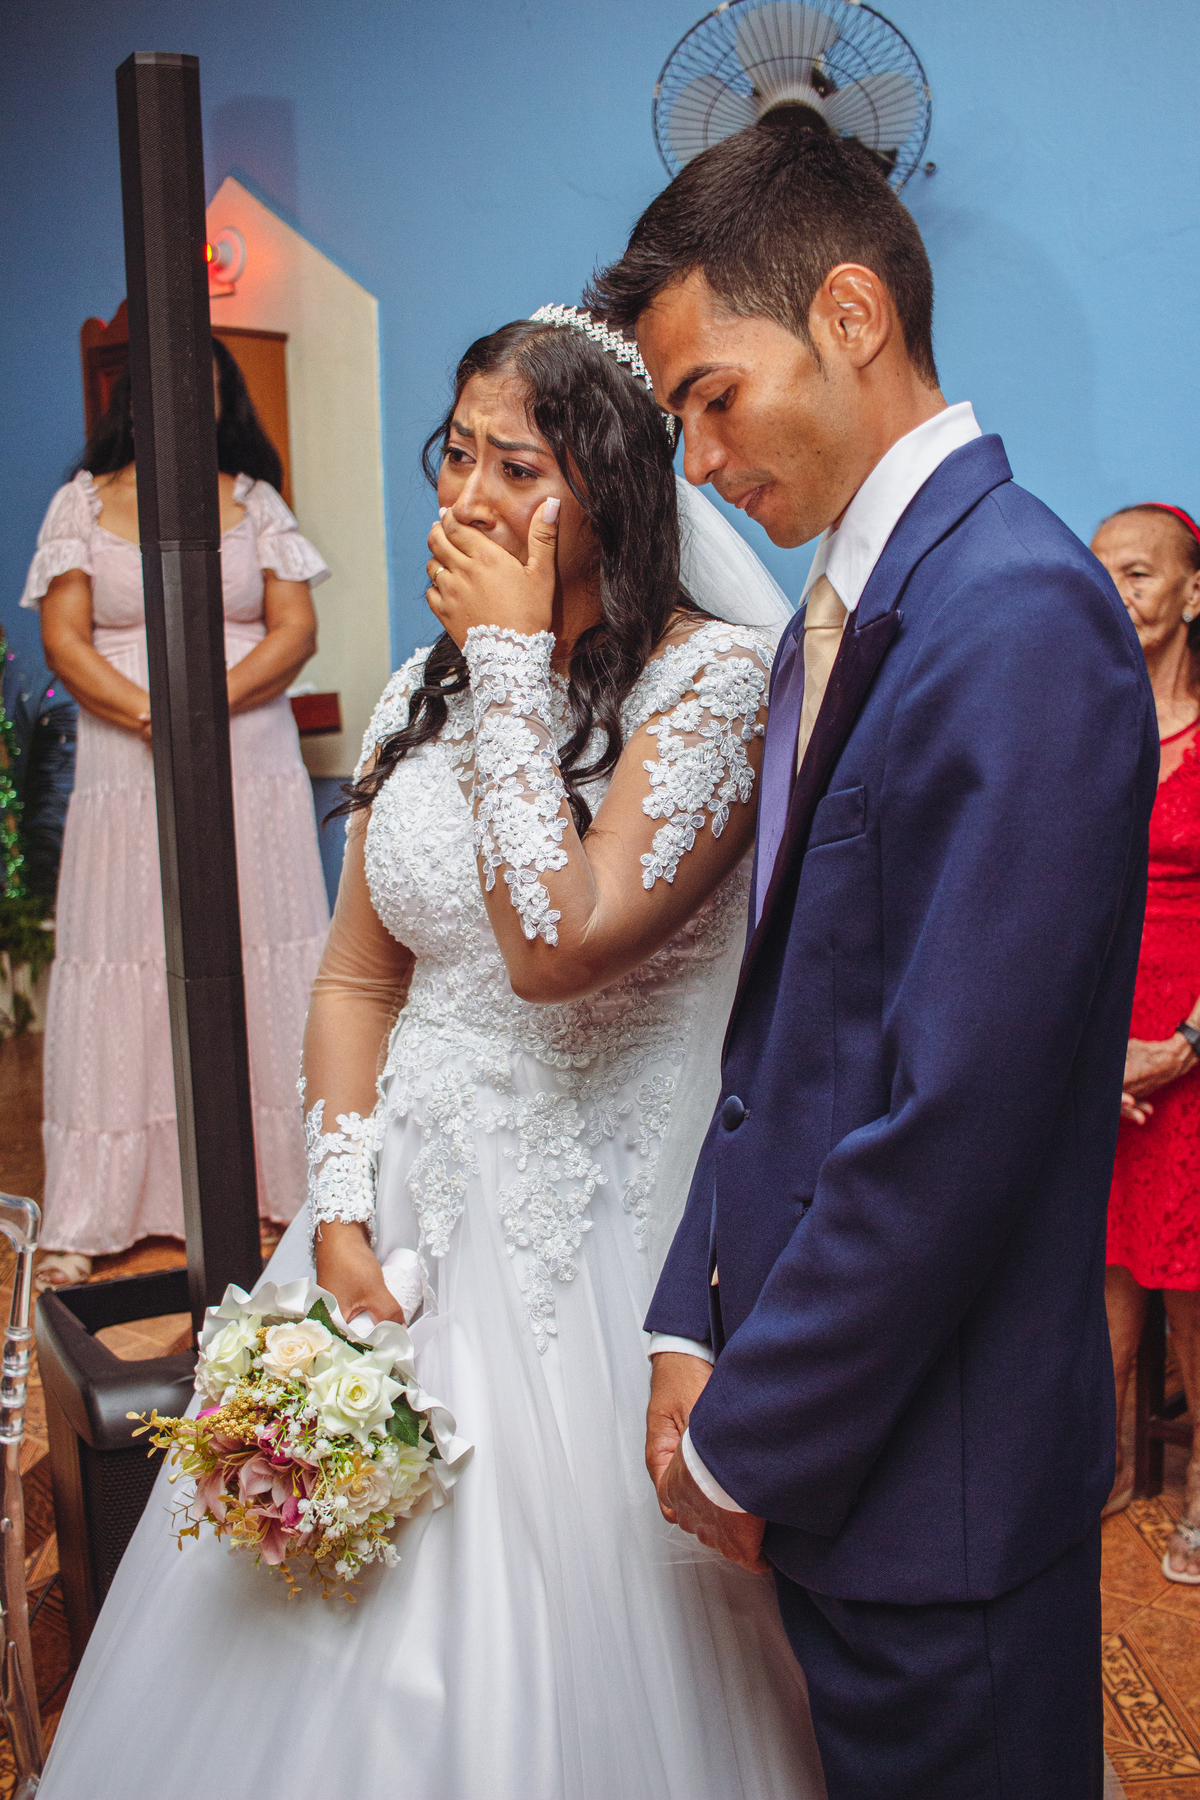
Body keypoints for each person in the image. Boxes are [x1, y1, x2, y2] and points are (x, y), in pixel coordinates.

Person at [38, 312, 825, 1800]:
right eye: (453, 454)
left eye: (513, 465)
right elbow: (354, 975)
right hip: (395, 1225)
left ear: (610, 488)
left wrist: (518, 663)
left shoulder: (713, 688)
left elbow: (556, 943)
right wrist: (336, 1214)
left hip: (598, 1260)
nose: (462, 499)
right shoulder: (424, 688)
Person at [587, 121, 1158, 1800]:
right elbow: (783, 1036)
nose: (695, 463)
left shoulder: (1018, 614)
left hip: (943, 1485)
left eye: (708, 397)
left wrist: (750, 1434)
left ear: (848, 313)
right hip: (855, 1458)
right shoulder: (843, 618)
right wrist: (691, 1313)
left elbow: (958, 1119)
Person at [21, 341, 331, 1284]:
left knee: (256, 942)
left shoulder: (255, 503)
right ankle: (94, 1207)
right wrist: (156, 713)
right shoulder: (80, 502)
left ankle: (290, 1190)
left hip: (247, 749)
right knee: (130, 948)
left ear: (222, 401)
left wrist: (206, 706)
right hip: (128, 755)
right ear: (136, 403)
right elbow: (66, 641)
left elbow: (296, 630)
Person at [1092, 502, 1200, 1583]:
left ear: (1191, 593)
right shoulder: (1092, 724)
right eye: (1102, 575)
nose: (1116, 594)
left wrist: (1183, 1044)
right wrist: (1092, 1050)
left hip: (1195, 1034)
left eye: (1136, 574)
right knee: (1104, 1276)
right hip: (1104, 1043)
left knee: (1194, 1285)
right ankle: (1112, 1468)